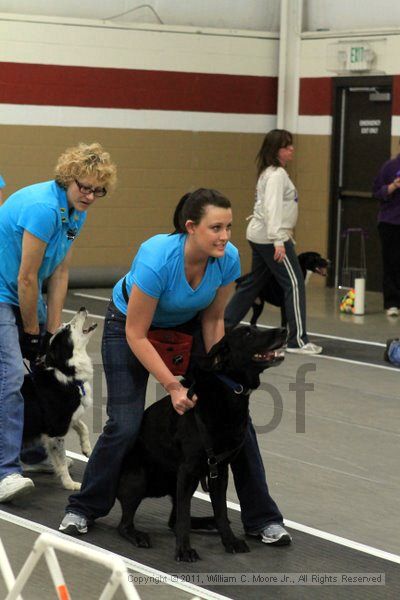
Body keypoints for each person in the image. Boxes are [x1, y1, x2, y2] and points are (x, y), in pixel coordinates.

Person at [59, 188, 292, 546]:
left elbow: (214, 320)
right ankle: (84, 508)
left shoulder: (227, 259)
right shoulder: (157, 258)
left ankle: (262, 519)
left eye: (229, 227)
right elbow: (137, 335)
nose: (226, 236)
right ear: (190, 227)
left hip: (187, 324)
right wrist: (173, 385)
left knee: (236, 424)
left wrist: (219, 377)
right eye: (216, 228)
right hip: (130, 327)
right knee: (125, 424)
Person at [0, 142, 117, 503]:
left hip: (21, 287)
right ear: (69, 177)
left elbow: (60, 272)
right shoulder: (44, 209)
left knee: (39, 372)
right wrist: (33, 334)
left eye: (99, 190)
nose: (91, 195)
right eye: (85, 187)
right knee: (12, 377)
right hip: (5, 291)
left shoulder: (75, 212)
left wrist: (50, 332)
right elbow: (27, 278)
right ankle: (4, 471)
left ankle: (33, 451)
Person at [224, 129, 322, 355]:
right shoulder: (277, 175)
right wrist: (279, 240)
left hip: (261, 235)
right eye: (287, 147)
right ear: (275, 150)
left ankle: (225, 325)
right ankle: (297, 340)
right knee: (295, 284)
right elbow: (272, 208)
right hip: (271, 238)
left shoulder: (270, 172)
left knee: (253, 284)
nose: (291, 150)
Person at [372, 152, 400, 317]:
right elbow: (376, 191)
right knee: (392, 263)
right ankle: (392, 302)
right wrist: (393, 186)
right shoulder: (389, 166)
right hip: (391, 222)